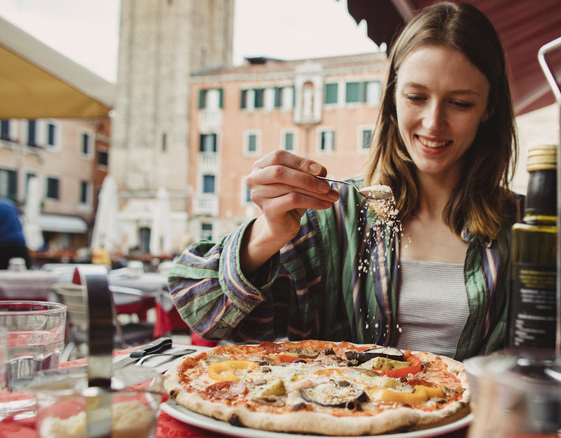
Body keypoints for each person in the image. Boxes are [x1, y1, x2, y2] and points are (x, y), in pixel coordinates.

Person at [168, 1, 518, 360]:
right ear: (393, 98)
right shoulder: (334, 214)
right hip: (344, 413)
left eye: (460, 103)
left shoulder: (526, 226)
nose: (433, 122)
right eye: (416, 97)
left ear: (489, 108)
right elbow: (200, 310)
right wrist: (268, 231)